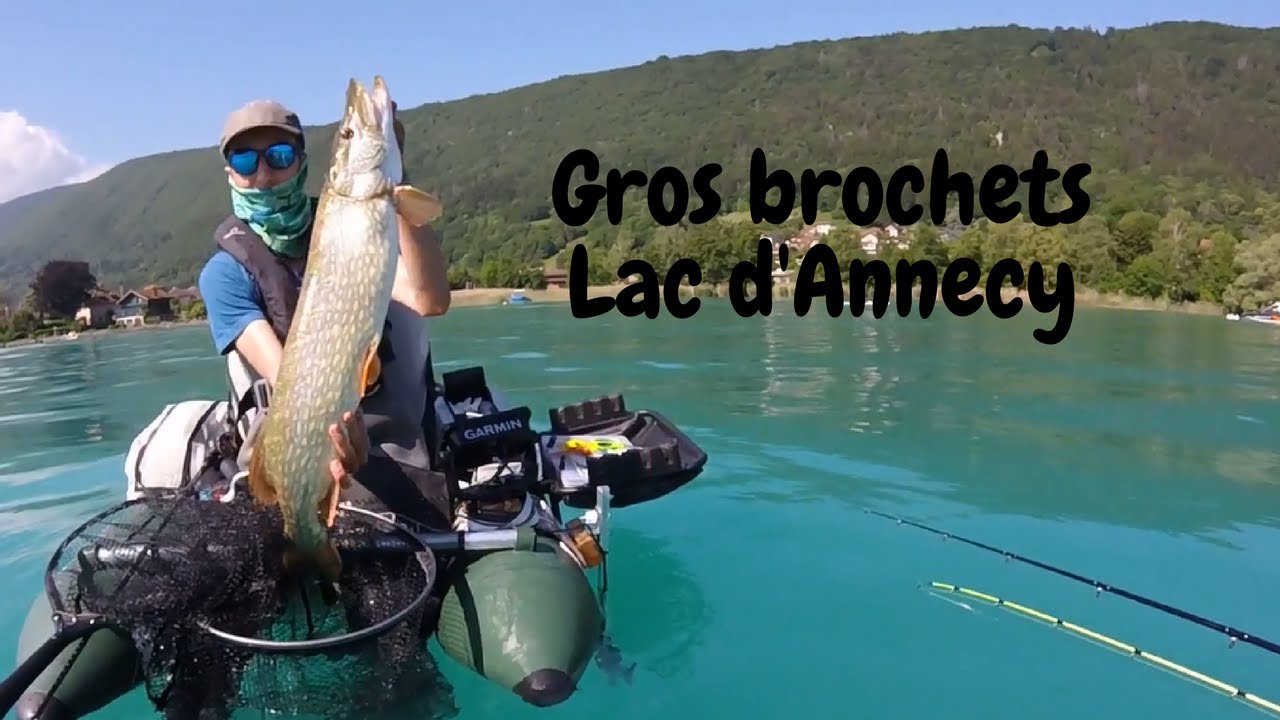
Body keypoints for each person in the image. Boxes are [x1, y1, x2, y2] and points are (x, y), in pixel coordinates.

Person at [195, 97, 454, 528]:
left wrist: (398, 181)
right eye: (245, 159)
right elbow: (292, 382)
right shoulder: (223, 274)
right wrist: (335, 439)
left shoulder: (351, 227)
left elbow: (430, 301)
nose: (263, 175)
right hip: (304, 432)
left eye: (278, 156)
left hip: (394, 443)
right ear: (230, 173)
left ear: (301, 163)